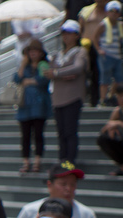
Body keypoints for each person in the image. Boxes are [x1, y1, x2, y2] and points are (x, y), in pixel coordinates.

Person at [51, 20, 89, 163]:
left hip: (73, 97)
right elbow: (48, 70)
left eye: (69, 33)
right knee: (61, 133)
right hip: (57, 98)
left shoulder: (80, 51)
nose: (65, 36)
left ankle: (70, 161)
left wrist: (57, 73)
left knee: (70, 131)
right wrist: (62, 73)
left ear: (76, 35)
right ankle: (62, 161)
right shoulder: (57, 55)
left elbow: (78, 68)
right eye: (63, 33)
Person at [14, 39, 53, 174]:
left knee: (38, 134)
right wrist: (22, 65)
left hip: (39, 104)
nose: (33, 53)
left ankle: (37, 160)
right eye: (30, 51)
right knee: (25, 135)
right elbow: (17, 79)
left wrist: (29, 81)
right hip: (25, 105)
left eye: (35, 51)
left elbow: (44, 81)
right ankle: (26, 161)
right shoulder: (25, 66)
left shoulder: (44, 65)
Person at [80, 0, 110, 107]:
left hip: (104, 46)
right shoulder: (86, 11)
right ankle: (91, 99)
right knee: (88, 73)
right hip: (87, 46)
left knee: (100, 73)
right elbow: (80, 28)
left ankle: (102, 99)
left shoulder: (110, 11)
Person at [95, 1, 123, 105]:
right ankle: (102, 100)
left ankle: (111, 96)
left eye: (117, 11)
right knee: (105, 79)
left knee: (119, 79)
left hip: (117, 55)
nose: (114, 14)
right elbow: (95, 37)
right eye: (112, 11)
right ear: (107, 12)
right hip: (106, 55)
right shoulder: (103, 24)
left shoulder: (120, 25)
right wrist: (99, 49)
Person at [96, 83, 123, 171]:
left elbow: (117, 123)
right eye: (119, 96)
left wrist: (118, 123)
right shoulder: (118, 111)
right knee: (103, 139)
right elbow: (106, 128)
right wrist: (110, 129)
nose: (121, 99)